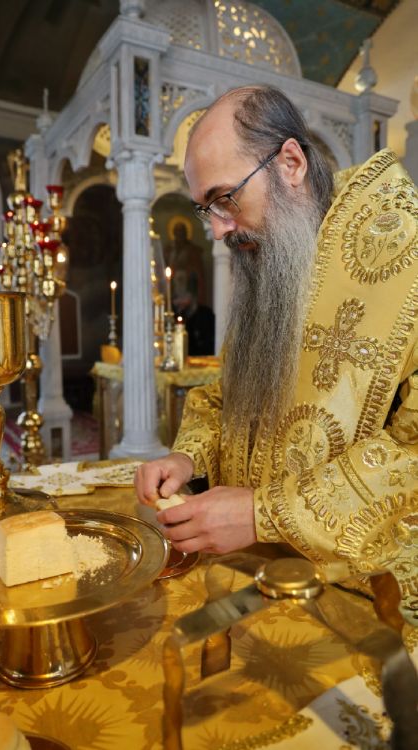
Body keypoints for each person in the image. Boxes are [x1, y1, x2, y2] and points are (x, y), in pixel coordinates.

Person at [135, 85, 417, 613]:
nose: (217, 229)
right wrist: (188, 456)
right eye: (205, 209)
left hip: (360, 597)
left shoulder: (407, 258)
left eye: (226, 198)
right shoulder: (274, 259)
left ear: (290, 163)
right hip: (254, 578)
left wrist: (264, 514)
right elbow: (232, 395)